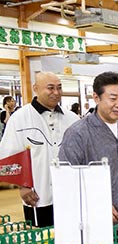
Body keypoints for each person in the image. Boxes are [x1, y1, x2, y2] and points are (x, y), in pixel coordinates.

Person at [59, 72, 118, 244]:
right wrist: (96, 203)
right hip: (100, 225)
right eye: (113, 98)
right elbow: (66, 181)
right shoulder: (78, 134)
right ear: (96, 97)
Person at [0, 72, 78, 227]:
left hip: (70, 194)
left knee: (72, 238)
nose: (56, 93)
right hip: (37, 195)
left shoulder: (72, 119)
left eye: (59, 88)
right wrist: (23, 186)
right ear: (36, 88)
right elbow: (9, 156)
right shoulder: (20, 118)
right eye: (50, 88)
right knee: (42, 243)